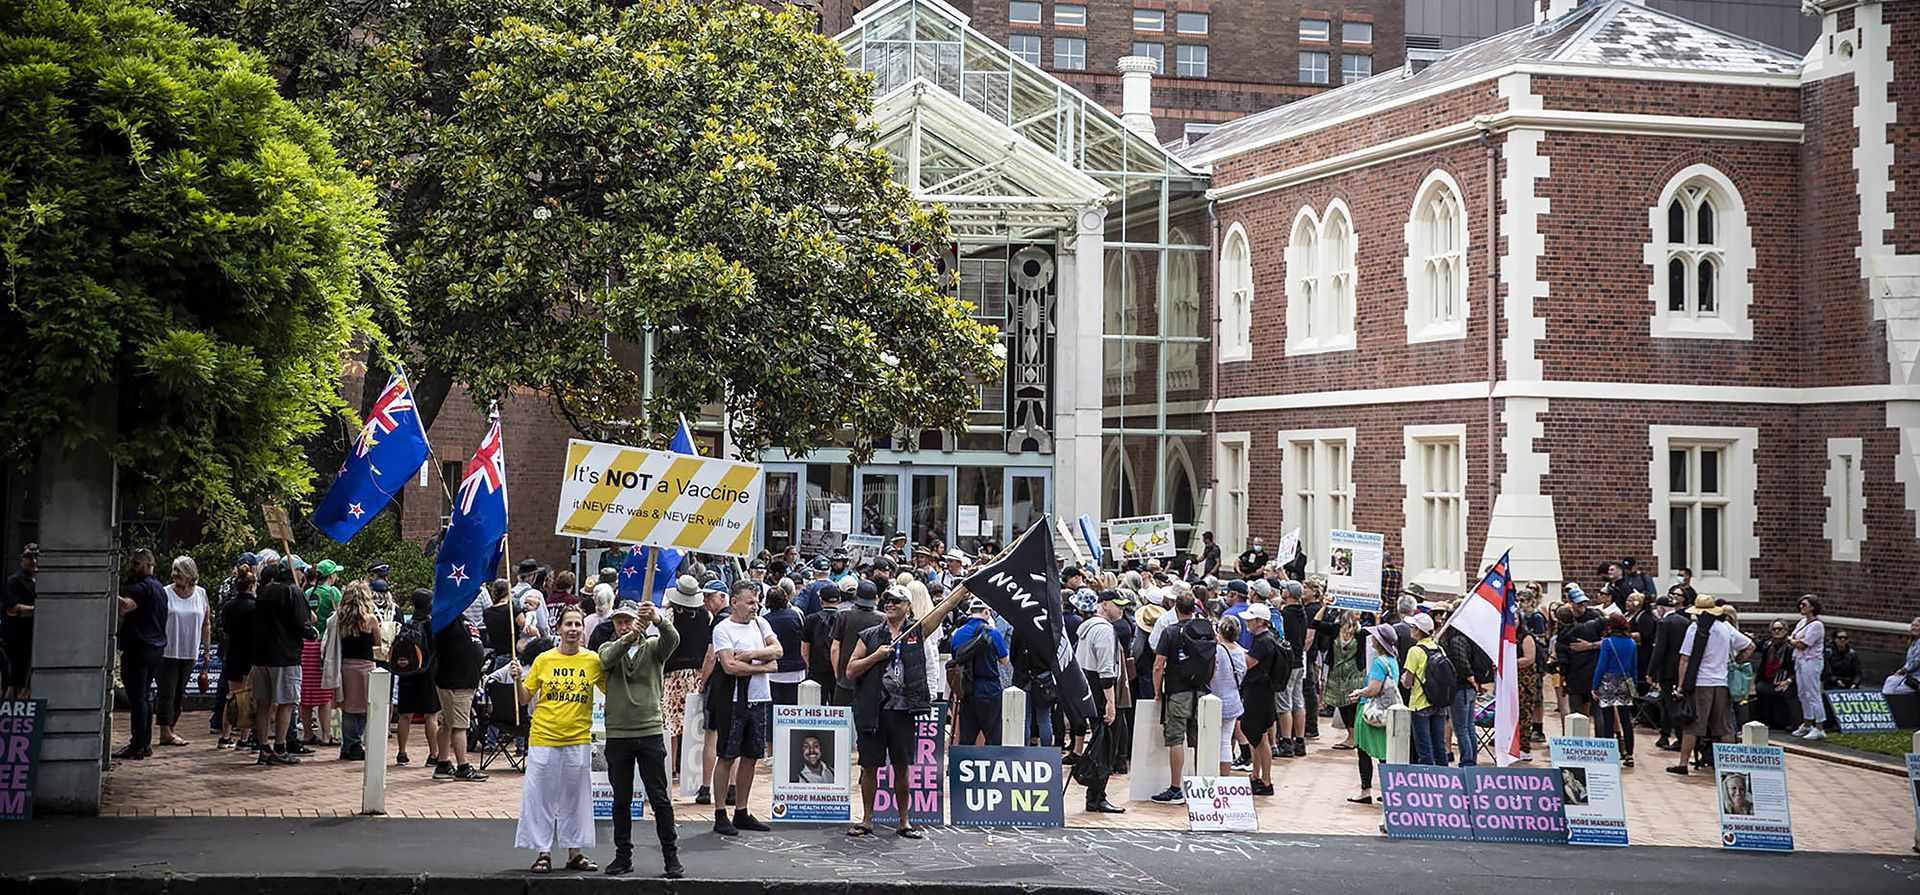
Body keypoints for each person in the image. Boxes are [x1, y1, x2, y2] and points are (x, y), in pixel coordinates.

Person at [844, 582, 968, 838]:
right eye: (887, 600)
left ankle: (904, 821)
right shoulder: (869, 635)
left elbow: (945, 607)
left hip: (902, 712)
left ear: (908, 607)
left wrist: (967, 584)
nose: (890, 604)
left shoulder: (916, 632)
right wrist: (874, 657)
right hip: (873, 711)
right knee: (869, 766)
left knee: (902, 767)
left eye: (896, 601)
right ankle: (867, 819)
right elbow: (850, 670)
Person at [511, 605, 603, 872]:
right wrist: (518, 679)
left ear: (583, 629)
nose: (573, 629)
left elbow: (613, 690)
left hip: (578, 739)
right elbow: (524, 698)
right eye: (568, 624)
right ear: (559, 628)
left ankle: (575, 852)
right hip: (544, 738)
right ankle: (543, 852)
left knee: (575, 798)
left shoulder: (593, 661)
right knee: (541, 797)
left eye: (577, 624)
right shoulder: (544, 660)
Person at [597, 600, 682, 878]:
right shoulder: (608, 648)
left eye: (629, 620)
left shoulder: (654, 648)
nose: (623, 625)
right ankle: (623, 856)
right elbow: (606, 660)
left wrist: (657, 618)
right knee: (621, 799)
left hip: (649, 731)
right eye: (619, 622)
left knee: (659, 798)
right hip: (619, 733)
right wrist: (628, 637)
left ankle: (671, 855)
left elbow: (673, 639)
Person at [708, 580, 780, 834]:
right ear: (734, 602)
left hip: (759, 698)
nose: (755, 606)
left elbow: (778, 651)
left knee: (751, 756)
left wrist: (748, 655)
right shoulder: (722, 628)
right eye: (750, 602)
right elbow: (729, 666)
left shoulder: (761, 623)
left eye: (757, 601)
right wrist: (763, 665)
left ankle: (741, 810)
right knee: (727, 755)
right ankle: (719, 812)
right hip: (733, 700)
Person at [1667, 596, 1754, 776]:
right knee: (1724, 726)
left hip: (1701, 683)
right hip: (1721, 682)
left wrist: (1681, 686)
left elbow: (1685, 659)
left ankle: (1683, 763)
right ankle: (1728, 765)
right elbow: (1749, 646)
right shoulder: (1725, 628)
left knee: (1693, 725)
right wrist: (1735, 662)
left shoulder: (1695, 628)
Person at [1150, 593, 1215, 803]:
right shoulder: (1206, 631)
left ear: (1175, 608)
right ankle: (1199, 788)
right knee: (1199, 742)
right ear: (1194, 609)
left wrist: (1158, 691)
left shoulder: (1170, 632)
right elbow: (1214, 663)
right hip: (1202, 692)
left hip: (1177, 691)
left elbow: (1158, 666)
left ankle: (1176, 787)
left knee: (1176, 739)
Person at [249, 558, 310, 765]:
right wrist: (312, 632)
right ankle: (280, 747)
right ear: (296, 571)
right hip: (285, 656)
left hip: (261, 655)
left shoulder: (264, 591)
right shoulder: (294, 592)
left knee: (263, 703)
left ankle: (263, 746)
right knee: (286, 702)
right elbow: (302, 624)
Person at [112, 549, 169, 760]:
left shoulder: (141, 588)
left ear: (148, 565)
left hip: (140, 648)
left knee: (137, 698)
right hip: (156, 648)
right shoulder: (160, 588)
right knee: (145, 696)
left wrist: (108, 590)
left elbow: (127, 606)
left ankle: (137, 744)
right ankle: (144, 744)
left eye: (136, 563)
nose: (132, 567)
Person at [658, 575, 710, 794]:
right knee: (693, 722)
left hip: (673, 673)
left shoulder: (669, 615)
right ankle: (689, 768)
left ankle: (671, 768)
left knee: (671, 722)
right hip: (696, 672)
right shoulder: (705, 615)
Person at [1074, 592, 1125, 812]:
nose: (1122, 609)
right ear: (1104, 605)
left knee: (1100, 744)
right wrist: (1111, 702)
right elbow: (1106, 671)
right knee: (1104, 746)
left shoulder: (1087, 628)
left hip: (1088, 689)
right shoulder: (1103, 630)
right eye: (1117, 604)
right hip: (1100, 692)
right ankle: (1096, 796)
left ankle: (1096, 795)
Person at [155, 556, 211, 748]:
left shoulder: (201, 593)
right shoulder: (165, 593)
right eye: (174, 570)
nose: (175, 574)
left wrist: (205, 649)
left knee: (179, 692)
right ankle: (165, 732)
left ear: (189, 573)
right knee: (166, 692)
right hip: (167, 651)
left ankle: (171, 728)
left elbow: (206, 623)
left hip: (189, 652)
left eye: (179, 570)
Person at [434, 590, 489, 781]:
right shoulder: (445, 620)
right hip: (455, 682)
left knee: (448, 723)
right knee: (460, 726)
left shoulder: (463, 619)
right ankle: (463, 766)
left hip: (465, 680)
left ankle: (442, 763)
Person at [1346, 624, 1402, 804]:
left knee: (1363, 750)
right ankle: (1388, 790)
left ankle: (1366, 790)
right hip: (1387, 712)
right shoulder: (1393, 659)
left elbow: (1373, 689)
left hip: (1371, 712)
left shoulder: (1379, 662)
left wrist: (1359, 692)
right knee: (1384, 753)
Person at [331, 580, 383, 762]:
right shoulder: (370, 619)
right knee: (363, 709)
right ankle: (355, 744)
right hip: (365, 667)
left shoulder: (340, 618)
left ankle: (347, 744)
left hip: (346, 666)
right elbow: (378, 643)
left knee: (347, 708)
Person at [948, 598, 1010, 746]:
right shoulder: (992, 633)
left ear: (970, 612)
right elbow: (1004, 660)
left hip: (967, 689)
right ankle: (992, 766)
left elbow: (954, 658)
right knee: (993, 734)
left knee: (967, 735)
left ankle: (962, 765)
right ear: (986, 612)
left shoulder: (957, 634)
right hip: (989, 688)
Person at [394, 589, 443, 769]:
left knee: (405, 715)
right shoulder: (431, 625)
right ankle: (434, 754)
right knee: (431, 715)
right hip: (428, 673)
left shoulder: (407, 625)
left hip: (408, 674)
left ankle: (402, 753)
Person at [1238, 603, 1284, 795]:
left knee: (1260, 737)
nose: (1247, 622)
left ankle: (1265, 780)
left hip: (1258, 693)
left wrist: (1233, 649)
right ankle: (1257, 776)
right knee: (1258, 737)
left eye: (1251, 619)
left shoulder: (1262, 641)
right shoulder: (1267, 638)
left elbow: (1248, 663)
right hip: (1262, 692)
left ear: (1260, 621)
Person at [215, 566, 258, 749]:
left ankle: (225, 735)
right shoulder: (255, 607)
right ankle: (244, 737)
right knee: (248, 697)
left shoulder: (228, 606)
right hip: (249, 653)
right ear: (252, 586)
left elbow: (224, 626)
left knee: (232, 696)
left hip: (232, 650)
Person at [1401, 612, 1449, 766]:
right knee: (1439, 746)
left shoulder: (1415, 651)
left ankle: (1426, 782)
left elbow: (1408, 683)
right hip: (1438, 702)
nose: (1410, 629)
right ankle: (1444, 779)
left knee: (1424, 748)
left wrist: (1404, 679)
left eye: (1412, 627)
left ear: (1417, 630)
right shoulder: (1439, 649)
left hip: (1419, 703)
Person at [1592, 614, 1639, 767]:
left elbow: (1601, 665)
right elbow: (1634, 667)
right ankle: (1630, 754)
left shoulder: (1607, 642)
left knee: (1608, 720)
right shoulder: (1631, 642)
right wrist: (1635, 686)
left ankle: (1609, 754)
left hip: (1608, 682)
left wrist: (1594, 685)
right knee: (1626, 721)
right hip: (1625, 682)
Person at [830, 579, 884, 708]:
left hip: (845, 681)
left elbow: (835, 648)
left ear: (856, 596)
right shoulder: (882, 619)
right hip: (871, 680)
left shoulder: (843, 615)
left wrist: (838, 674)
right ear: (876, 598)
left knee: (840, 723)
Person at [1322, 611, 1366, 752]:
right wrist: (1324, 606)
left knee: (1351, 704)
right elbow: (1315, 624)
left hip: (1354, 674)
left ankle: (1353, 737)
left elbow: (1376, 636)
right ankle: (1351, 735)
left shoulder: (1361, 632)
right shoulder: (1336, 629)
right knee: (1339, 703)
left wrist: (1377, 617)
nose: (1359, 616)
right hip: (1337, 673)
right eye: (1356, 613)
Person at [1211, 616, 1248, 776]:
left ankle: (1209, 775)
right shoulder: (1241, 652)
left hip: (1214, 700)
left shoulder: (1216, 651)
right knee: (1225, 741)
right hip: (1233, 700)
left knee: (1211, 741)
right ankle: (1224, 778)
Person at [1788, 595, 1827, 739]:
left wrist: (1793, 641)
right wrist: (1794, 641)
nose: (1801, 607)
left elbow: (1803, 644)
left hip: (1812, 661)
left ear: (1812, 607)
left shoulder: (1817, 625)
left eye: (1804, 605)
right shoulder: (1801, 622)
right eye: (1800, 604)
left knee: (1813, 692)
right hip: (1799, 660)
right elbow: (1794, 638)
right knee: (1803, 693)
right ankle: (1807, 723)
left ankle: (1820, 727)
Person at [4, 543, 38, 698]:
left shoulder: (43, 582)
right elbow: (12, 609)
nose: (33, 560)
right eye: (29, 557)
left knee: (30, 685)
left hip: (36, 640)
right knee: (14, 685)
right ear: (22, 559)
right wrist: (39, 611)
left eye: (37, 557)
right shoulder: (15, 581)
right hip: (17, 641)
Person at [763, 587, 806, 706]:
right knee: (793, 710)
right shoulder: (797, 616)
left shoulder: (764, 621)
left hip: (774, 670)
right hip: (796, 668)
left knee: (775, 710)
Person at [1881, 616, 1920, 695]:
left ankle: (1888, 702)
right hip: (1910, 676)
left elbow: (1916, 661)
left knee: (1894, 689)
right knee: (1891, 680)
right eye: (1912, 625)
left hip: (1917, 679)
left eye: (1917, 626)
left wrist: (1903, 669)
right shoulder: (1914, 642)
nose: (1913, 628)